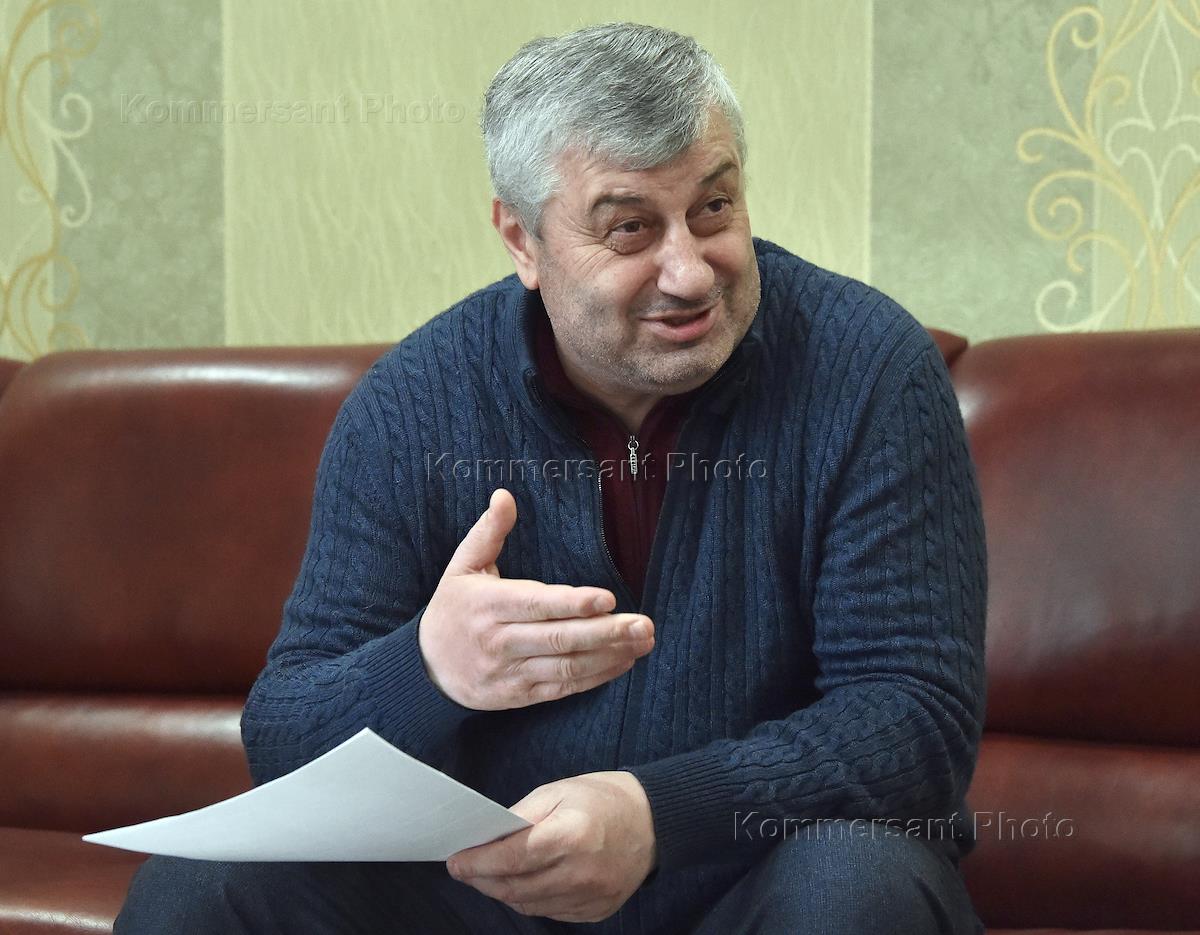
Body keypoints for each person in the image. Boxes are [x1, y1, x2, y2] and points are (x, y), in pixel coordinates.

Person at [116, 22, 986, 935]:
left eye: (714, 208)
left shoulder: (868, 371)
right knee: (198, 889)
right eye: (630, 227)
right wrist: (428, 666)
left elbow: (914, 718)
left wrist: (657, 813)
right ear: (522, 240)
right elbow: (284, 742)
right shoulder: (412, 405)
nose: (691, 272)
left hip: (748, 881)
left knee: (856, 883)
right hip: (486, 897)